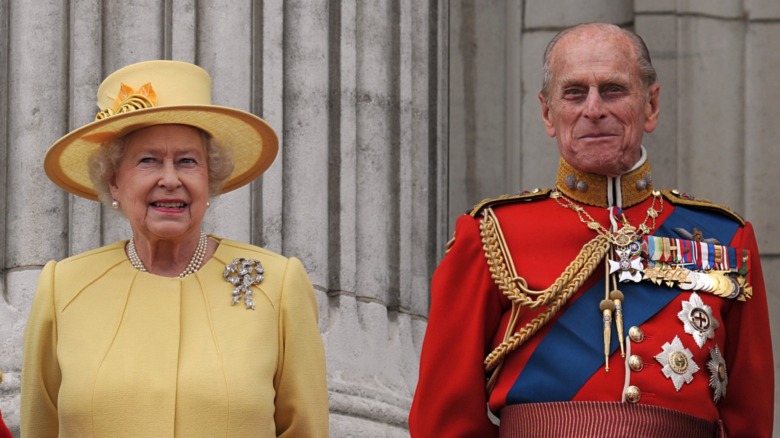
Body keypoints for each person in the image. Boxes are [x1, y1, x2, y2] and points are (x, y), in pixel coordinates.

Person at [409, 22, 773, 437]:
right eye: (574, 92)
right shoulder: (493, 234)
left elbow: (750, 420)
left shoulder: (724, 238)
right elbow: (443, 421)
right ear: (548, 112)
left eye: (614, 90)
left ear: (650, 106)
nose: (594, 108)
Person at [21, 60, 329, 436]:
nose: (170, 179)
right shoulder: (63, 287)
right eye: (148, 161)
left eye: (187, 161)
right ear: (114, 181)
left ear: (210, 179)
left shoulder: (278, 285)